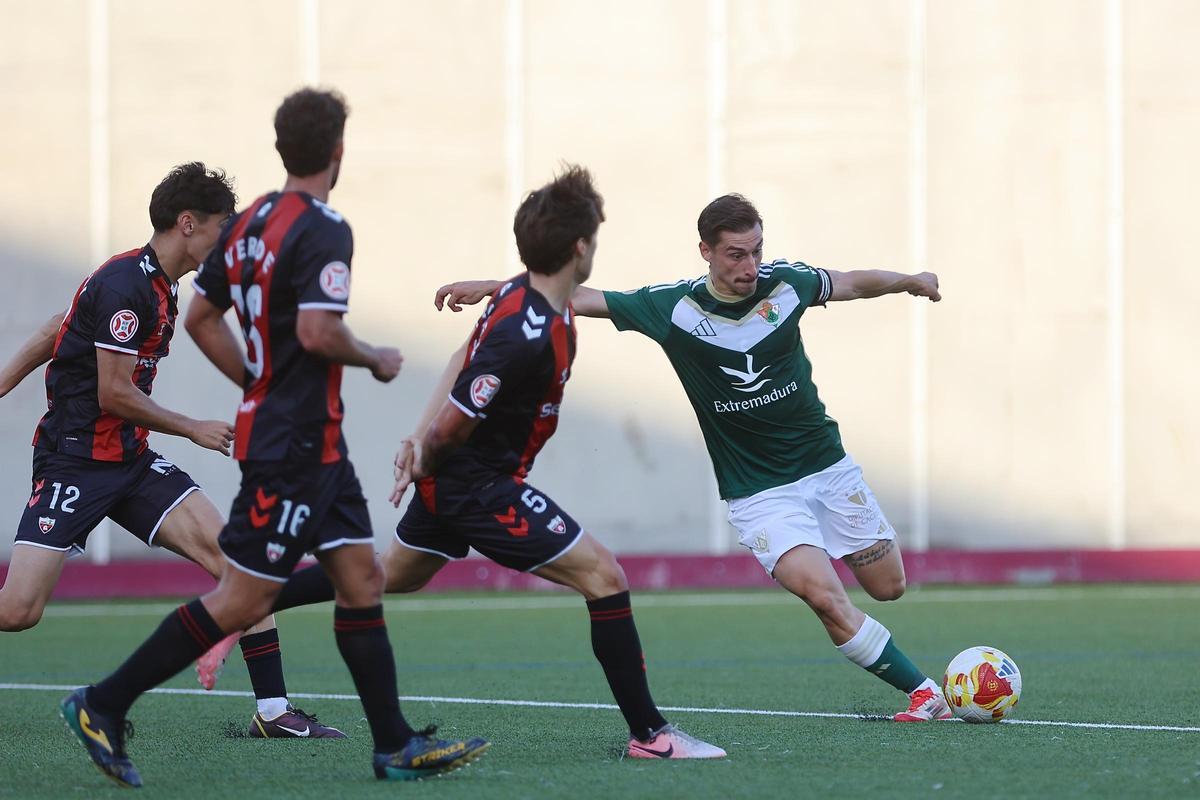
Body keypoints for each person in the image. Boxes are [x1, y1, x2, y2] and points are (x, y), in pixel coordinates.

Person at [60, 88, 488, 788]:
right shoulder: (324, 227)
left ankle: (394, 744)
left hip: (316, 444)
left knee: (360, 581)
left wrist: (255, 380)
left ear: (282, 146)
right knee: (240, 601)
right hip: (290, 449)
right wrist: (373, 356)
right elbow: (320, 332)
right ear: (338, 152)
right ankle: (101, 703)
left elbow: (200, 317)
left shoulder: (250, 221)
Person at [257, 166, 726, 760]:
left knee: (383, 577)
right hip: (476, 487)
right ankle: (651, 735)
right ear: (580, 247)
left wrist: (416, 441)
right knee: (604, 576)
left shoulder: (519, 294)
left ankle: (249, 601)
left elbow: (458, 354)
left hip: (458, 479)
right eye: (595, 236)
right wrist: (422, 450)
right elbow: (459, 415)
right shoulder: (523, 333)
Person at [434, 193, 951, 722]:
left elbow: (849, 282)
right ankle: (924, 692)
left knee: (889, 588)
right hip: (759, 492)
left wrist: (909, 280)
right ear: (705, 250)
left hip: (828, 467)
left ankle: (908, 665)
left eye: (755, 251)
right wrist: (491, 289)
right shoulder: (671, 307)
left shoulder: (787, 284)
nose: (749, 266)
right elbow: (575, 296)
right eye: (734, 254)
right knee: (824, 595)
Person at [0, 162, 338, 738]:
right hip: (74, 463)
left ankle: (274, 712)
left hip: (130, 462)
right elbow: (113, 391)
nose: (226, 241)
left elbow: (61, 324)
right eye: (220, 228)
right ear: (187, 223)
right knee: (17, 611)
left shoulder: (159, 285)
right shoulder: (125, 284)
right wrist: (189, 427)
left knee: (239, 563)